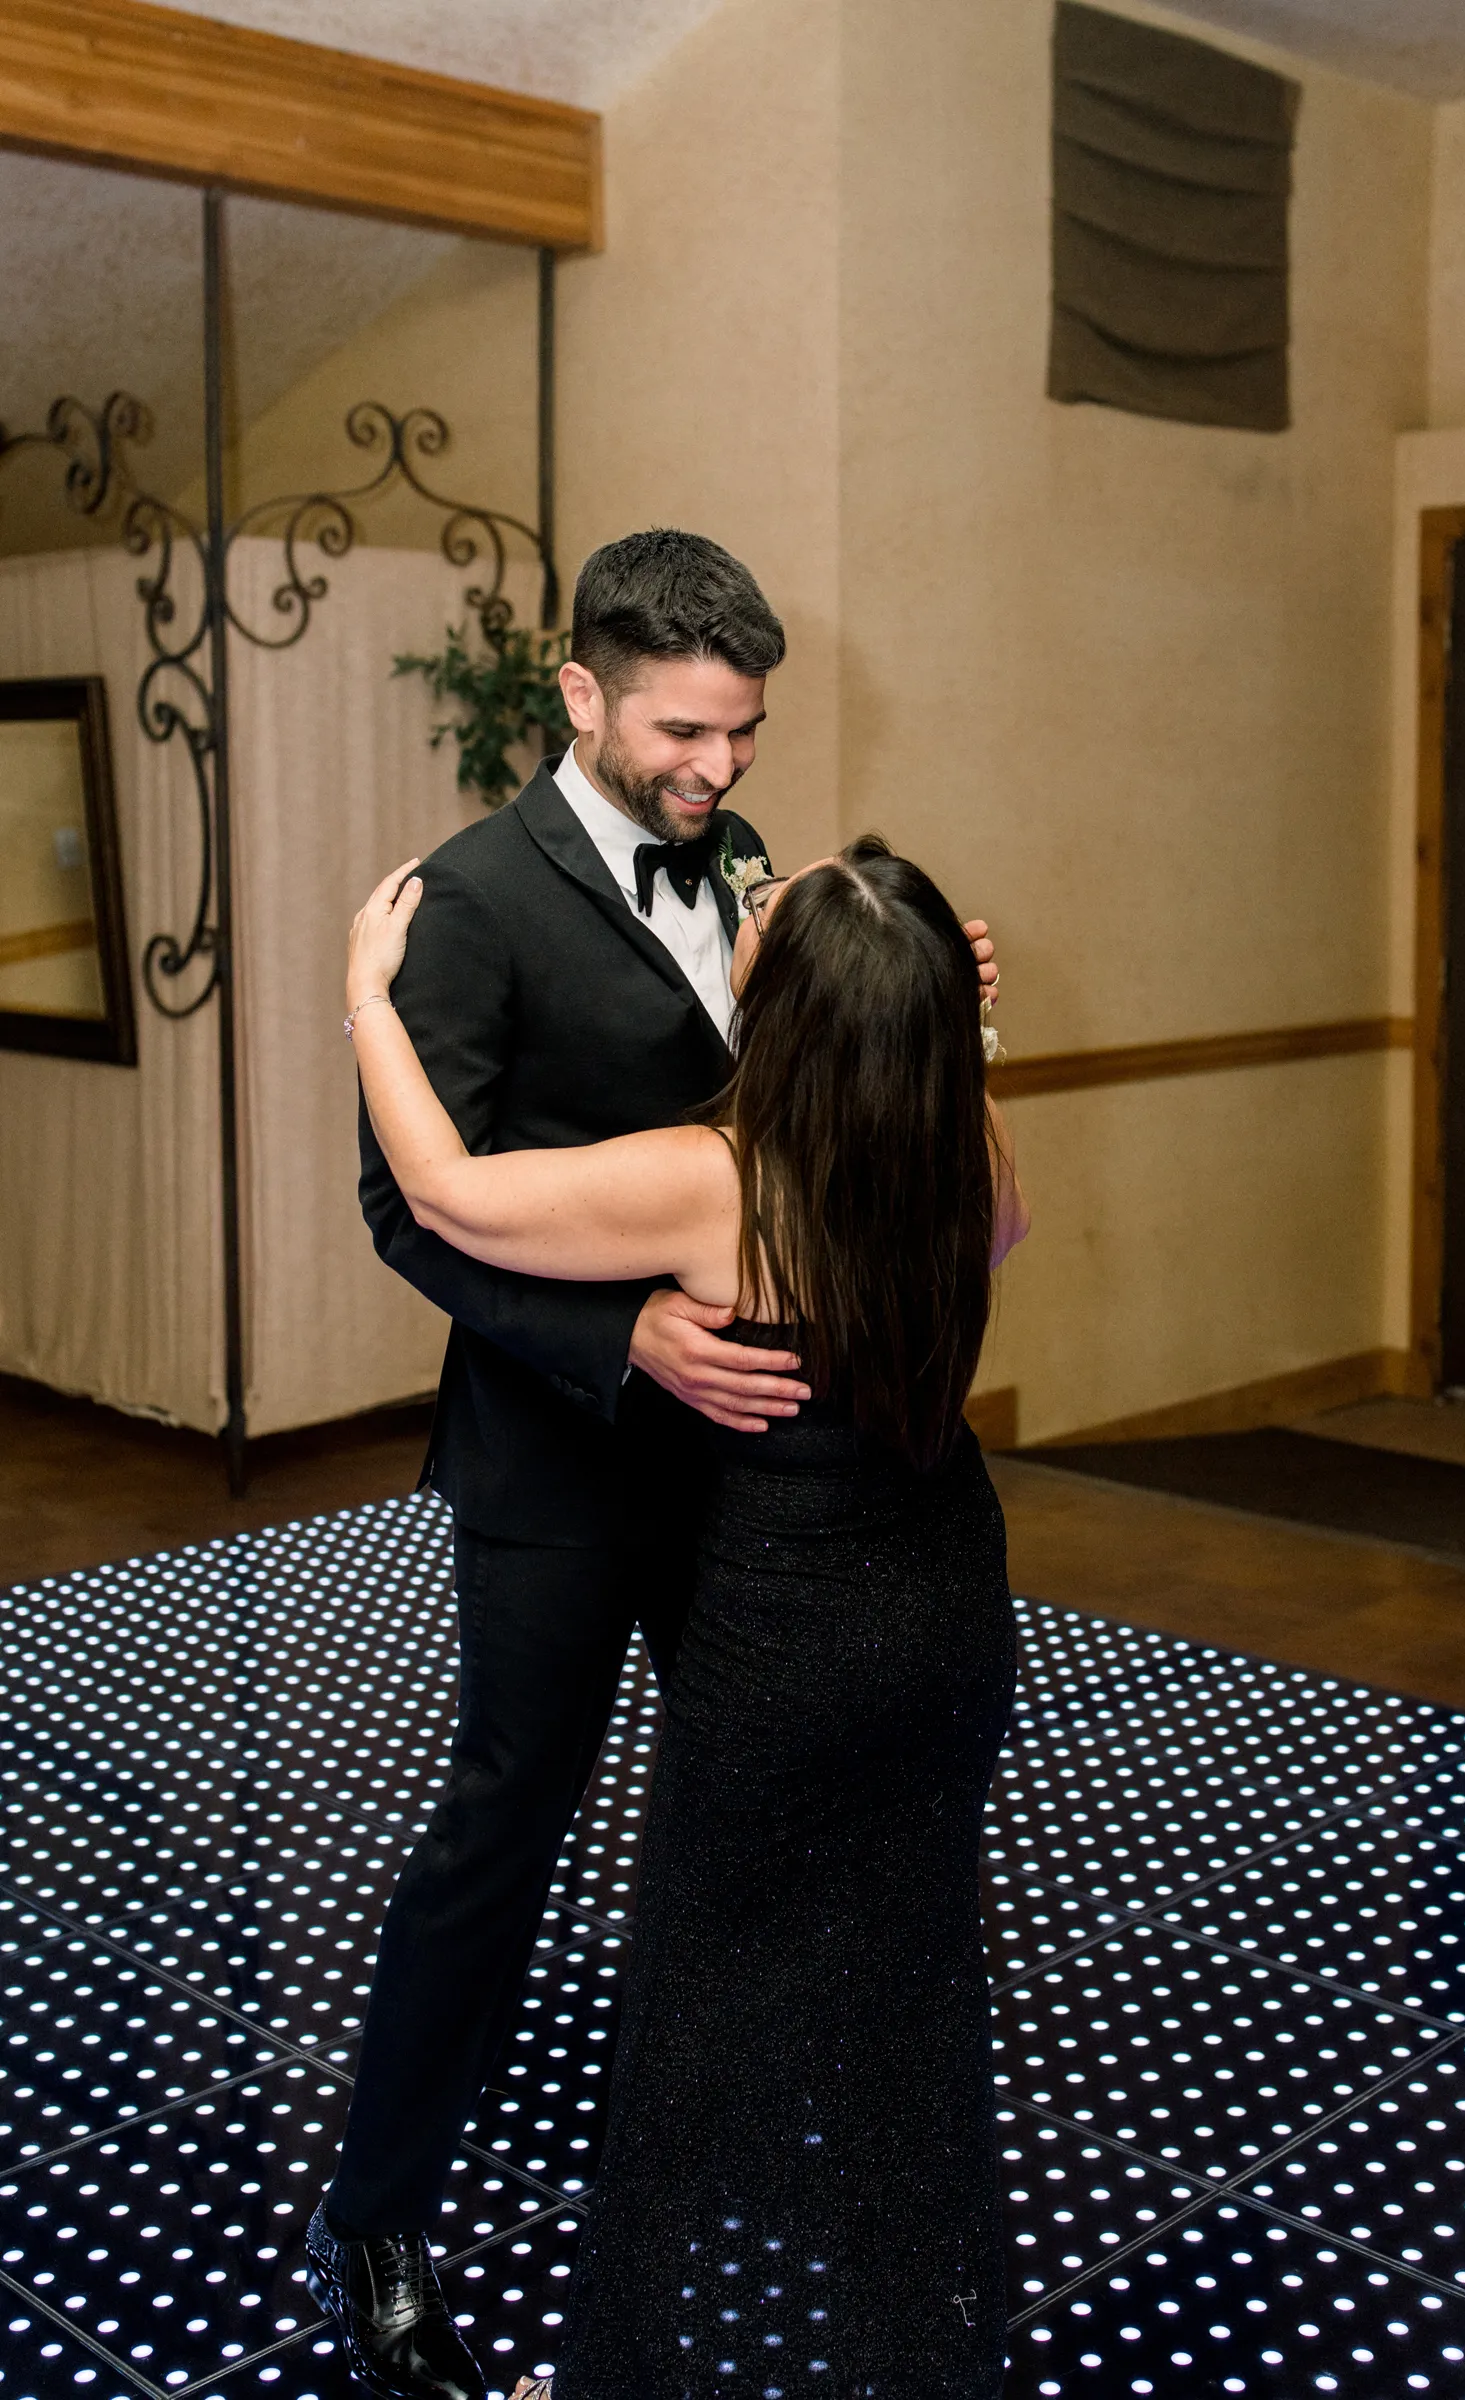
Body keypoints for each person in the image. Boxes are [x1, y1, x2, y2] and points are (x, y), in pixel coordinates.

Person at [305, 529, 999, 2400]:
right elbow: (410, 1205)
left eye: (744, 731)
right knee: (504, 1836)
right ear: (583, 694)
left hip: (758, 1502)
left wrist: (923, 1002)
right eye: (685, 731)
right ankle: (378, 2217)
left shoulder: (755, 872)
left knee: (750, 1837)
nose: (720, 767)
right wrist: (622, 1338)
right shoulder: (470, 897)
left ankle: (735, 2165)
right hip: (559, 1472)